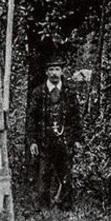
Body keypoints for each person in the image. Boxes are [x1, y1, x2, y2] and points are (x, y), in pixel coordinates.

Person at [26, 57, 84, 209]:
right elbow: (31, 118)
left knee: (66, 174)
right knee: (43, 174)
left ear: (62, 71)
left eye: (57, 69)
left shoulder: (69, 92)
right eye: (51, 70)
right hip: (44, 141)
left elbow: (76, 116)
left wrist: (77, 139)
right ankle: (43, 209)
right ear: (46, 72)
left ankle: (65, 207)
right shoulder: (38, 93)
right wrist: (32, 141)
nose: (54, 73)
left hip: (65, 140)